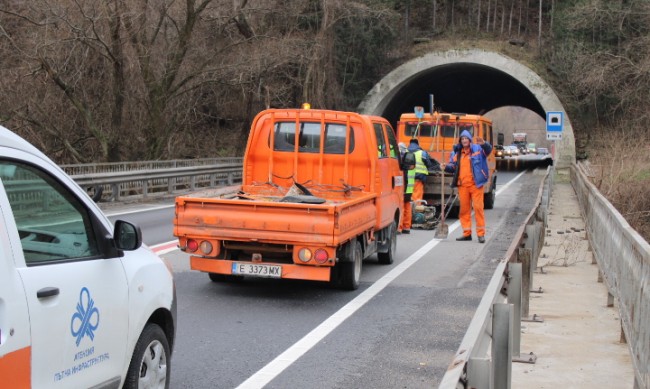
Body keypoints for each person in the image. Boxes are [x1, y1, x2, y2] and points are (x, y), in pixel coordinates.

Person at [443, 130, 493, 243]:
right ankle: (467, 233)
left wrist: (484, 143)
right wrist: (445, 166)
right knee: (464, 210)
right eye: (462, 139)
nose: (464, 140)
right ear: (460, 141)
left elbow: (488, 150)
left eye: (466, 138)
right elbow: (453, 167)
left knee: (478, 209)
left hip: (476, 185)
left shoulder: (478, 149)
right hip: (463, 186)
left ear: (470, 140)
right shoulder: (456, 153)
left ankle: (481, 234)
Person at [407, 138, 435, 202]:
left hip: (407, 179)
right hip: (418, 178)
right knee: (417, 196)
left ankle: (409, 210)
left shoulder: (405, 152)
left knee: (408, 197)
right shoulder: (422, 153)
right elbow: (429, 164)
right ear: (418, 144)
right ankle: (416, 210)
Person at [398, 142, 415, 234]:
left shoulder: (401, 157)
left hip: (404, 186)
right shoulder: (410, 156)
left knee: (401, 206)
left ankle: (399, 227)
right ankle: (406, 226)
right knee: (407, 205)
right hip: (409, 187)